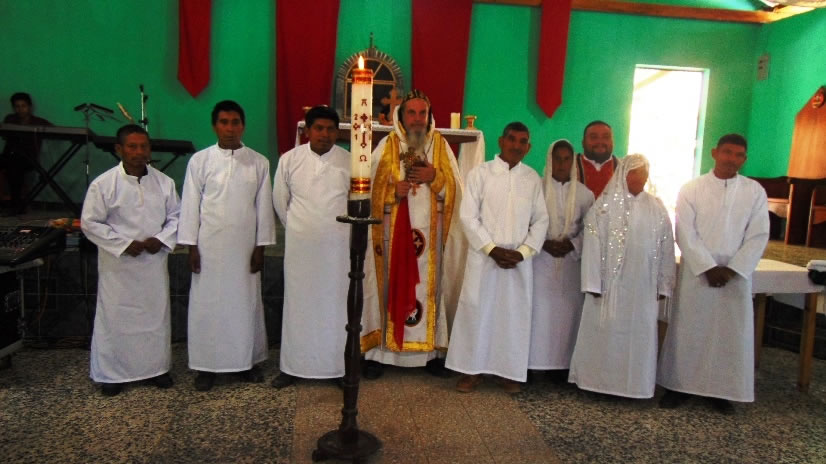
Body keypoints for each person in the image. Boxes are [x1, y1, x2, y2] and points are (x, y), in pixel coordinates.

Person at [658, 134, 769, 414]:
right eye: (727, 152)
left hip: (734, 276)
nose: (732, 159)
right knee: (689, 329)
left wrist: (733, 269)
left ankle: (721, 391)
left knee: (728, 334)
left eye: (738, 155)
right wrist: (707, 267)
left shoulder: (754, 191)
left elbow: (758, 234)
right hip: (698, 274)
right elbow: (684, 231)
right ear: (714, 152)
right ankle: (678, 386)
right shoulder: (692, 189)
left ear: (744, 159)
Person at [360, 90, 462, 379]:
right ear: (401, 116)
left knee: (429, 290)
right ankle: (380, 353)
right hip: (392, 236)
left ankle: (431, 353)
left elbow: (458, 193)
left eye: (422, 113)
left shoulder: (440, 146)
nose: (417, 119)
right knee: (388, 286)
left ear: (429, 116)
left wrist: (435, 178)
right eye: (412, 113)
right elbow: (368, 191)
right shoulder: (387, 145)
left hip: (431, 238)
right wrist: (391, 192)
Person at [178, 100, 276, 391]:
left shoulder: (258, 162)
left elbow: (264, 209)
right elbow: (190, 206)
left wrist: (261, 247)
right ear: (214, 126)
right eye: (224, 122)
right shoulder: (200, 161)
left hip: (244, 248)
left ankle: (246, 362)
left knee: (244, 304)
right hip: (208, 246)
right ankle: (206, 366)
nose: (230, 128)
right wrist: (191, 246)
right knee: (206, 306)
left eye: (235, 122)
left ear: (243, 126)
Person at [445, 122, 549, 394]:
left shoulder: (532, 178)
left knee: (512, 317)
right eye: (512, 139)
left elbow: (541, 220)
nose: (516, 145)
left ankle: (508, 372)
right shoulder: (481, 173)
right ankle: (471, 371)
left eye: (523, 141)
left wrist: (522, 252)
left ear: (529, 147)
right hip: (484, 258)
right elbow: (468, 216)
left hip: (518, 262)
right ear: (501, 141)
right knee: (477, 313)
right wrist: (491, 249)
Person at [81, 124, 180, 396]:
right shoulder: (103, 184)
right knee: (116, 318)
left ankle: (156, 369)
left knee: (154, 316)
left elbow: (177, 217)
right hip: (119, 267)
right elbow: (90, 223)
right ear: (119, 149)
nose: (139, 152)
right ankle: (113, 374)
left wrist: (160, 239)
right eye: (132, 147)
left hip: (153, 263)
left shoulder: (164, 183)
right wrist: (124, 244)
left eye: (143, 146)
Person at [568, 154, 675, 399]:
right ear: (623, 174)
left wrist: (663, 285)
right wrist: (592, 283)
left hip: (642, 288)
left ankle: (635, 387)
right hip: (608, 288)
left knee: (638, 336)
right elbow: (592, 245)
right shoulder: (603, 207)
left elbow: (666, 246)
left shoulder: (657, 208)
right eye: (635, 172)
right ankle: (596, 383)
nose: (640, 177)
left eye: (644, 172)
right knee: (606, 334)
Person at [271, 106, 349, 389]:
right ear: (307, 131)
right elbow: (280, 202)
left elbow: (356, 202)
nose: (324, 134)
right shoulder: (290, 160)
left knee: (335, 307)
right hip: (301, 248)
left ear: (337, 133)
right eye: (319, 128)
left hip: (337, 249)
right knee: (298, 305)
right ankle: (292, 367)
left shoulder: (349, 162)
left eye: (330, 129)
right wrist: (302, 228)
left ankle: (336, 368)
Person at [528, 139, 594, 381]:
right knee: (539, 312)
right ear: (550, 160)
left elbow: (591, 229)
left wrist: (572, 244)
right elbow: (525, 222)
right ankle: (534, 365)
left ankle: (563, 368)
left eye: (567, 159)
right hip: (541, 261)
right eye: (557, 159)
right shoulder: (536, 189)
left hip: (570, 263)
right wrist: (543, 243)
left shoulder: (585, 195)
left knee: (569, 314)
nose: (562, 164)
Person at [1, 92, 52, 214]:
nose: (20, 109)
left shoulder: (38, 121)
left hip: (28, 159)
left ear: (29, 107)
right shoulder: (10, 119)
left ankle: (16, 205)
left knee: (14, 167)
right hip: (8, 156)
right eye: (17, 106)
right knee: (11, 163)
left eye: (23, 106)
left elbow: (53, 130)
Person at [576, 121, 618, 198]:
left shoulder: (623, 168)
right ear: (583, 142)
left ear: (613, 142)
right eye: (594, 137)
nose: (600, 142)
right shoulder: (570, 166)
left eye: (606, 137)